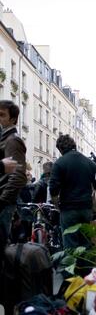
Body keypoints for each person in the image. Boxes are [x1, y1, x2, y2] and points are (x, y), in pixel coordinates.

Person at [49, 134, 96, 249]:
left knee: (70, 244)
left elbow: (53, 189)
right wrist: (94, 205)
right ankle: (86, 266)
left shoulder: (60, 163)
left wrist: (57, 205)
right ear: (74, 145)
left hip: (68, 208)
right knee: (86, 242)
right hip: (86, 208)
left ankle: (72, 266)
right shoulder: (90, 163)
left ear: (60, 149)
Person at [0, 100, 27, 243]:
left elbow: (18, 176)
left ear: (13, 119)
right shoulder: (6, 139)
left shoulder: (12, 141)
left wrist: (3, 201)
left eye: (2, 115)